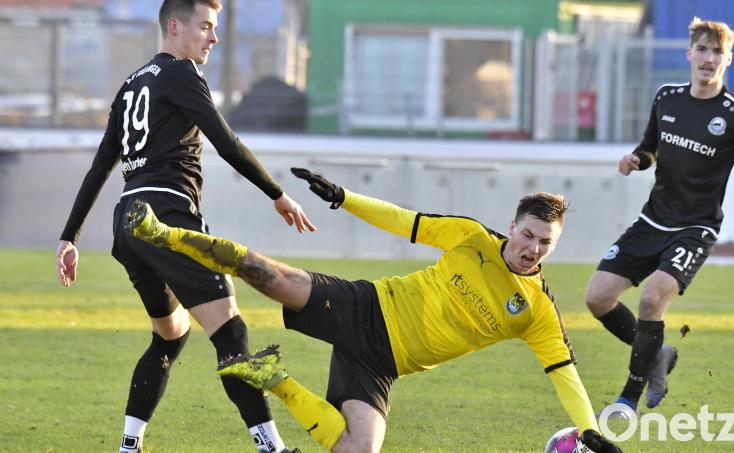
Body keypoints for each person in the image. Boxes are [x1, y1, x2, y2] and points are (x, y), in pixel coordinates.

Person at [121, 167, 623, 453]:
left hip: (381, 365)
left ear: (555, 245)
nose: (533, 248)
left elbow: (566, 375)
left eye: (545, 243)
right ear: (513, 226)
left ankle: (273, 378)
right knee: (268, 276)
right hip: (367, 307)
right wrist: (343, 197)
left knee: (358, 450)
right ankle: (164, 234)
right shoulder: (471, 237)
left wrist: (591, 432)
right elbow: (404, 220)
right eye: (528, 235)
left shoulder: (536, 310)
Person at [54, 1, 312, 452]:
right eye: (206, 26)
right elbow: (226, 141)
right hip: (166, 216)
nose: (214, 37)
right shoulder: (181, 73)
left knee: (170, 335)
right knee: (231, 333)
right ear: (174, 26)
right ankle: (272, 449)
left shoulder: (132, 84)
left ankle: (129, 446)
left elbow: (101, 165)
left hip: (128, 221)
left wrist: (69, 236)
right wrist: (277, 193)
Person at [585, 17, 734, 414]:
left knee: (651, 298)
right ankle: (657, 353)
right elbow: (649, 148)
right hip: (652, 220)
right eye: (702, 50)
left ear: (728, 59)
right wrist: (636, 160)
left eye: (717, 52)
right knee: (597, 298)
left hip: (695, 228)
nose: (709, 59)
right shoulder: (666, 97)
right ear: (689, 53)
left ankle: (627, 399)